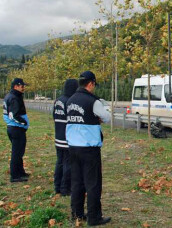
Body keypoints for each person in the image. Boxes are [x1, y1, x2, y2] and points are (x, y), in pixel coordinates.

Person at [66, 71, 111, 226]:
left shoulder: (70, 100)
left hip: (72, 147)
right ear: (91, 83)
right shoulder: (93, 101)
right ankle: (94, 217)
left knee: (77, 182)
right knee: (93, 184)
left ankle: (77, 213)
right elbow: (107, 117)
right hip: (89, 149)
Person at [53, 79, 78, 196]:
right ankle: (65, 188)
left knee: (59, 162)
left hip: (58, 136)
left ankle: (57, 186)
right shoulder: (70, 102)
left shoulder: (57, 101)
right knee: (68, 164)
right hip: (67, 138)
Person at [3, 78, 30, 183]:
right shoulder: (14, 98)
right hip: (16, 129)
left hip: (13, 128)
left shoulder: (10, 96)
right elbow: (13, 115)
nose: (23, 88)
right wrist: (23, 122)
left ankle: (20, 172)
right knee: (17, 153)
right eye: (22, 86)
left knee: (19, 152)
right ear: (16, 86)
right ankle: (15, 176)